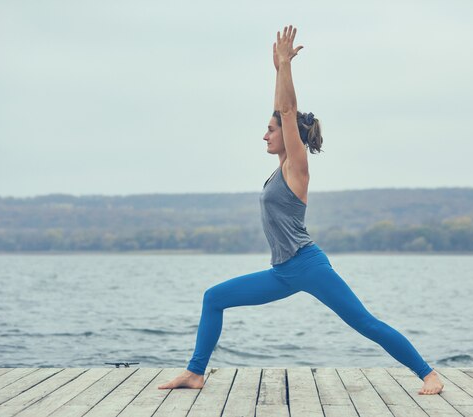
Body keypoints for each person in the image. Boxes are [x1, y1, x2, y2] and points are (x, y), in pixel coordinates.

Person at [158, 25, 444, 395]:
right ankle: (195, 373)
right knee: (214, 298)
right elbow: (283, 110)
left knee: (364, 323)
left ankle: (428, 374)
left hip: (308, 266)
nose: (264, 135)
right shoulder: (280, 168)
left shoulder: (297, 166)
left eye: (269, 130)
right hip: (282, 272)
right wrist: (278, 69)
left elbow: (287, 111)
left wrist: (286, 68)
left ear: (288, 136)